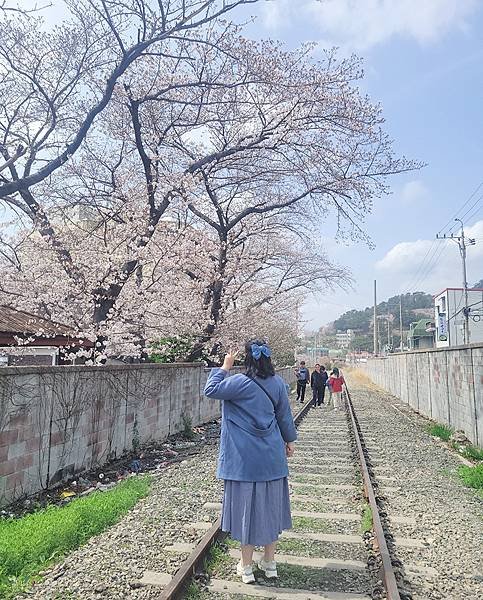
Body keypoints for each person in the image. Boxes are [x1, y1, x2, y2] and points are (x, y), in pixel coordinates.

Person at [204, 341, 297, 585]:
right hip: (271, 459)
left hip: (243, 461)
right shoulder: (277, 383)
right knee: (270, 508)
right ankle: (270, 562)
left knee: (247, 511)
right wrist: (289, 441)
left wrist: (225, 366)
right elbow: (284, 416)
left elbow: (210, 389)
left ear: (248, 360)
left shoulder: (237, 383)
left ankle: (246, 567)